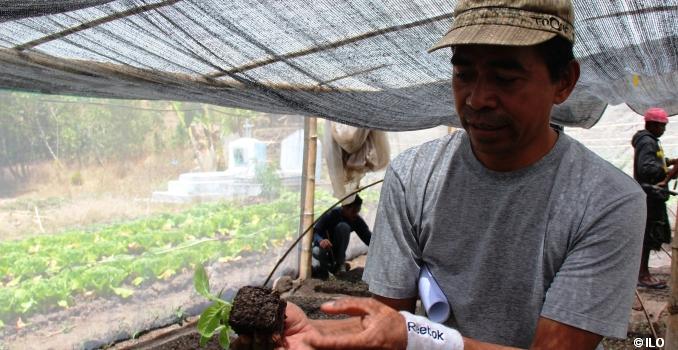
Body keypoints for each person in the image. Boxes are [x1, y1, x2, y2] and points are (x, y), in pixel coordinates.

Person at [237, 1, 646, 349]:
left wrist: (419, 337)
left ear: (564, 82)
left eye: (505, 78)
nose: (478, 99)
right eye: (463, 74)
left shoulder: (607, 201)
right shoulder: (415, 176)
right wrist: (312, 335)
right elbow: (384, 326)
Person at [632, 107, 675, 289]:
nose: (663, 130)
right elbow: (646, 169)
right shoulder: (648, 142)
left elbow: (652, 162)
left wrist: (669, 162)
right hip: (649, 195)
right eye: (661, 126)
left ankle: (642, 273)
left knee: (649, 235)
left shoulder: (650, 141)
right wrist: (668, 172)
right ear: (651, 124)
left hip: (650, 194)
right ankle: (643, 275)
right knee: (648, 236)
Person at [311, 194, 371, 279]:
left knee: (343, 227)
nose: (356, 214)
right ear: (344, 207)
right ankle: (326, 270)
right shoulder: (330, 215)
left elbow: (369, 238)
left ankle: (340, 265)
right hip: (322, 250)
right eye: (353, 211)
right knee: (317, 254)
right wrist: (321, 240)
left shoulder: (356, 220)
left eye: (358, 211)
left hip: (337, 255)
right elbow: (315, 232)